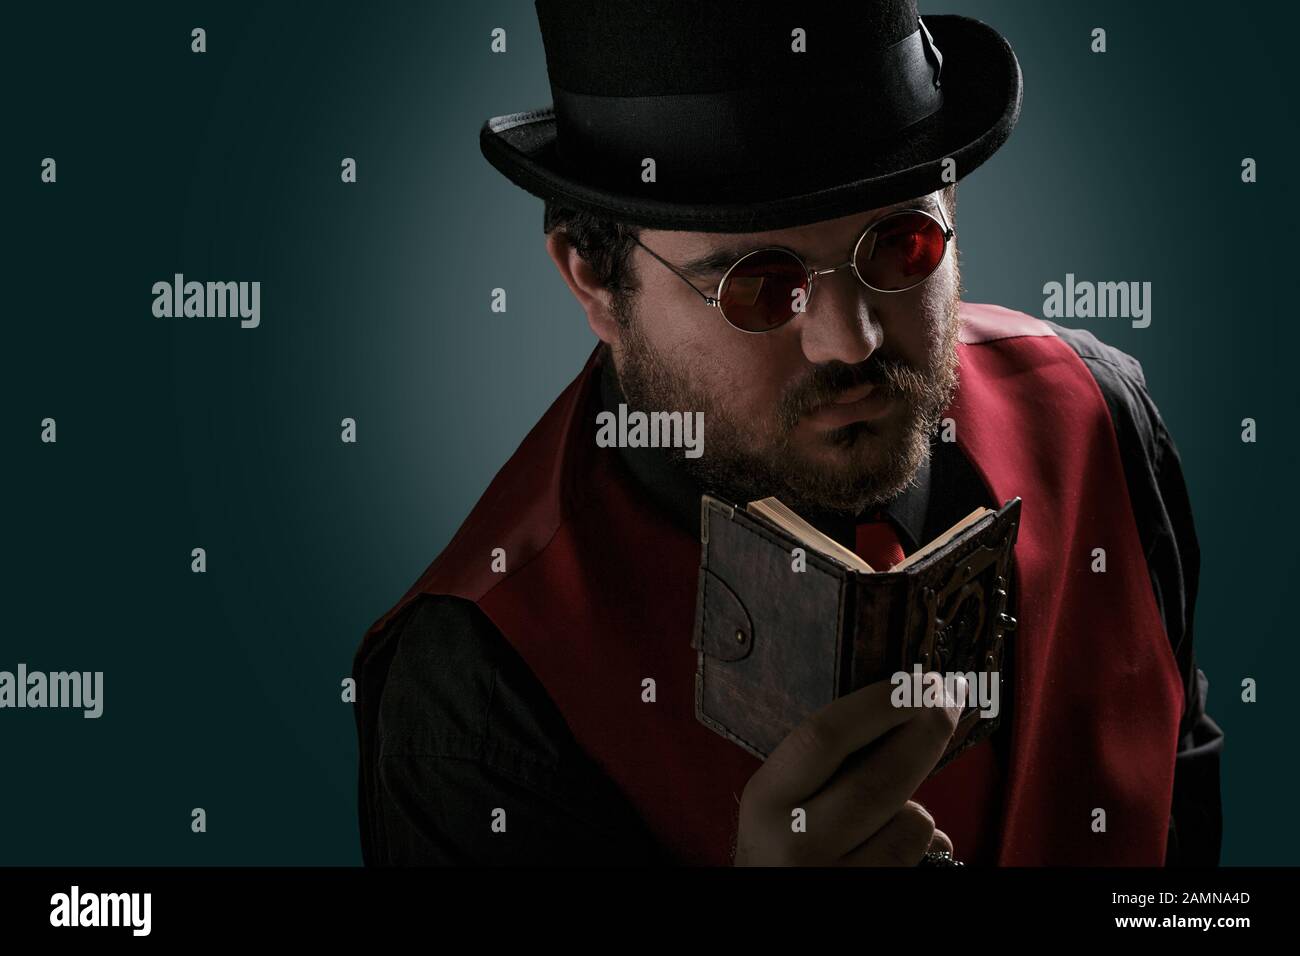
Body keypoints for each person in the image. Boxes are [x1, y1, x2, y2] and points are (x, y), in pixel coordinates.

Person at [352, 0, 1222, 866]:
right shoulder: (482, 674)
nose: (852, 340)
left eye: (900, 244)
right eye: (759, 283)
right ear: (595, 279)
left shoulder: (1099, 414)